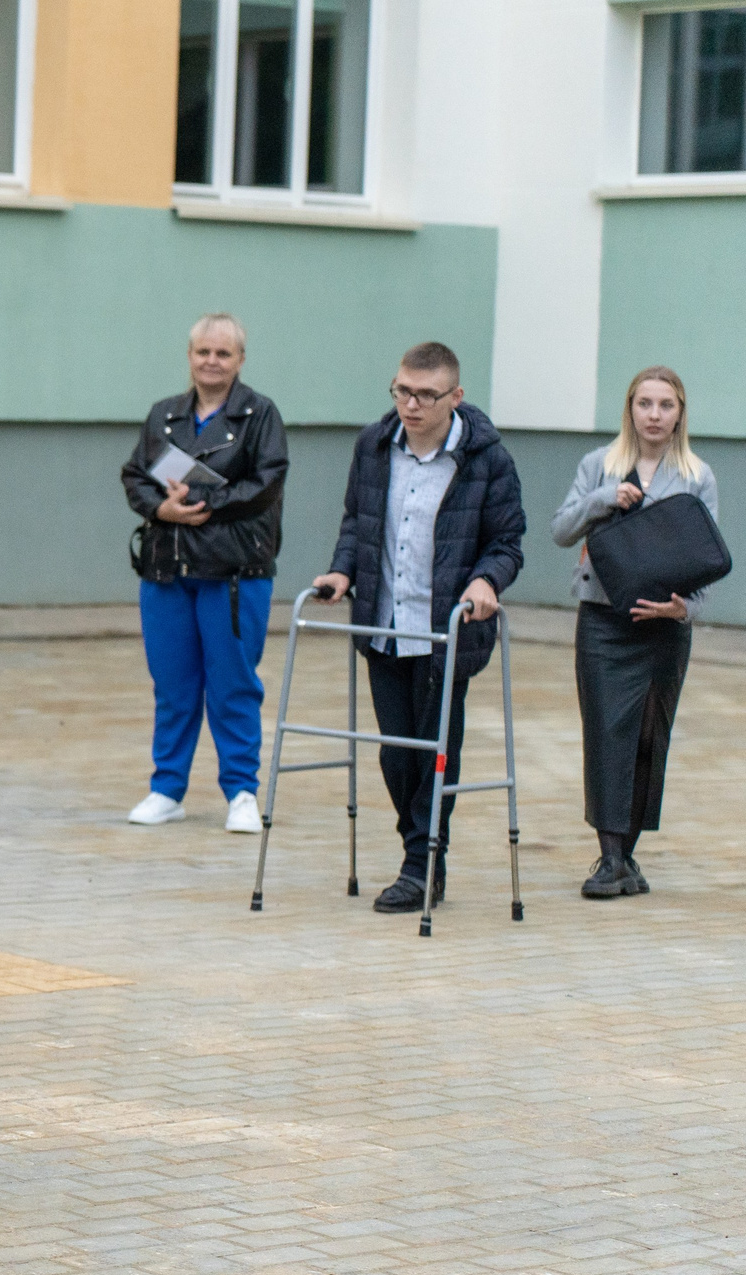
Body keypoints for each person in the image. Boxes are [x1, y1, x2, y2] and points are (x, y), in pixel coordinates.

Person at [312, 342, 524, 914]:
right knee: (394, 753)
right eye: (402, 390)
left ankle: (421, 862)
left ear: (455, 397)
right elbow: (358, 521)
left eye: (425, 395)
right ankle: (422, 849)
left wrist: (487, 581)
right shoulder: (375, 446)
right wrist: (341, 571)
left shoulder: (486, 460)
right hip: (384, 623)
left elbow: (507, 542)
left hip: (445, 631)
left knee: (435, 750)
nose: (410, 404)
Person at [119, 313, 289, 834]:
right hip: (167, 570)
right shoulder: (163, 415)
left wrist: (202, 501)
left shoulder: (261, 415)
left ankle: (241, 792)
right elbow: (134, 475)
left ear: (240, 360)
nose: (211, 362)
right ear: (189, 356)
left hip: (234, 572)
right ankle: (166, 789)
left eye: (223, 354)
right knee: (172, 685)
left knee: (233, 684)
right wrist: (159, 510)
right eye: (202, 353)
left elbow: (266, 482)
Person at [551, 366, 716, 901]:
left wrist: (682, 610)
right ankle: (611, 857)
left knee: (649, 736)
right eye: (645, 403)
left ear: (679, 413)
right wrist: (604, 499)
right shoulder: (598, 464)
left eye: (665, 405)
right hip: (603, 621)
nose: (654, 415)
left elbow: (707, 560)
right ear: (630, 409)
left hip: (663, 631)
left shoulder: (697, 476)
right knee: (606, 735)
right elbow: (560, 530)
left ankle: (627, 853)